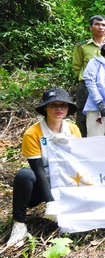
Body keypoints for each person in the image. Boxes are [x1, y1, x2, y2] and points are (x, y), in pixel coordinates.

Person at [8, 88, 82, 247]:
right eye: (53, 105)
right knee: (24, 175)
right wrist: (50, 201)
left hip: (66, 180)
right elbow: (38, 170)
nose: (59, 109)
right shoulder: (32, 133)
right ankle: (19, 224)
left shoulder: (73, 129)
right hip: (44, 183)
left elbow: (78, 162)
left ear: (68, 108)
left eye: (63, 105)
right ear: (45, 108)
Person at [72, 15, 105, 137]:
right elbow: (77, 66)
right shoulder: (82, 46)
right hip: (86, 87)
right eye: (97, 24)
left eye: (103, 25)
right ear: (90, 27)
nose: (100, 27)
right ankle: (83, 141)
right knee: (83, 116)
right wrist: (85, 80)